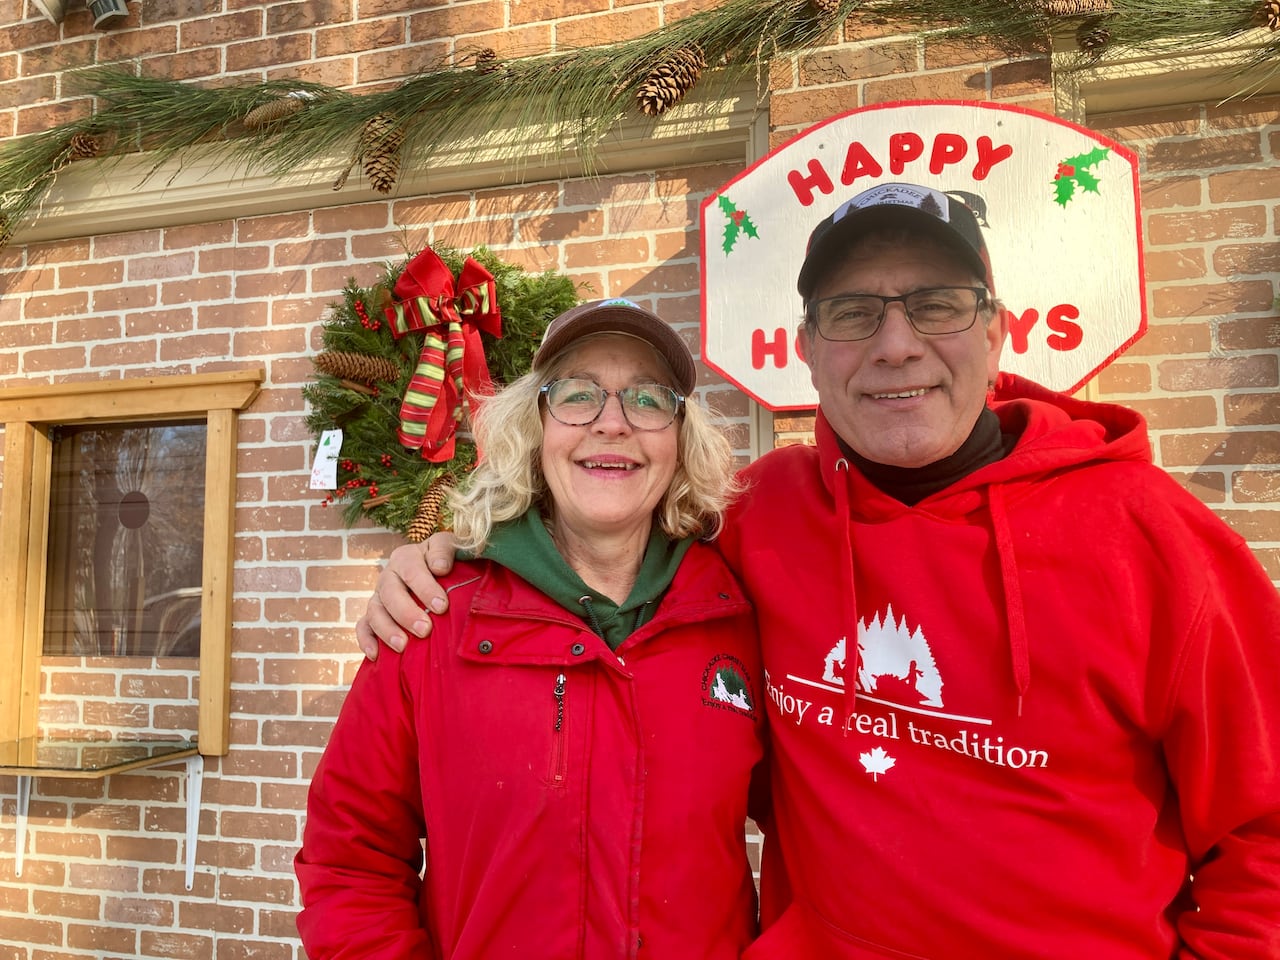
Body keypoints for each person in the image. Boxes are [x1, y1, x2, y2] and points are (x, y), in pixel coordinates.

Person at [356, 183, 1280, 958]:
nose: (895, 343)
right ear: (806, 348)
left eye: (936, 303)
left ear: (996, 330)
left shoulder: (1155, 539)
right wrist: (441, 555)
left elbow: (1265, 837)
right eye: (852, 313)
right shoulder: (761, 518)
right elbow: (601, 544)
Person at [296, 298, 767, 959]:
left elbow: (819, 833)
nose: (613, 424)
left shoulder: (737, 619)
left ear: (680, 436)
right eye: (577, 396)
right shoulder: (432, 617)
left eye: (648, 400)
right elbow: (350, 858)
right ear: (535, 428)